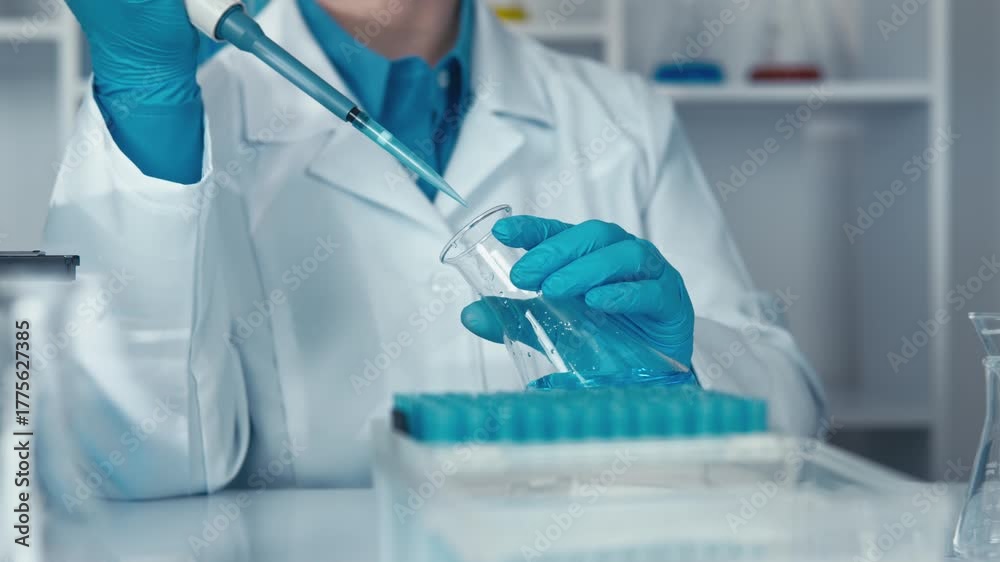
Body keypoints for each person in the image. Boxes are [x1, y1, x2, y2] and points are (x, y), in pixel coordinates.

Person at [44, 0, 824, 498]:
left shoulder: (621, 119)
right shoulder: (179, 120)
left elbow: (793, 417)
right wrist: (145, 94)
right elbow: (125, 466)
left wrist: (689, 384)